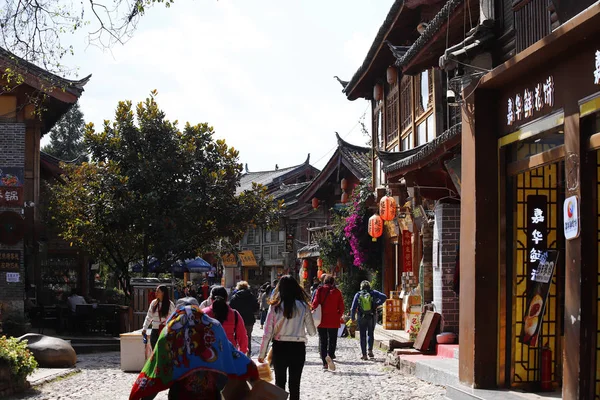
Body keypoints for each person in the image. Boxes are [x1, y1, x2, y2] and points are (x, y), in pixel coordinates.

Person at [130, 299, 259, 400]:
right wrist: (252, 374)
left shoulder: (170, 332)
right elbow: (232, 355)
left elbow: (157, 367)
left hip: (180, 395)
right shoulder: (213, 327)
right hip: (210, 394)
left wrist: (142, 394)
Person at [258, 275, 316, 400]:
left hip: (280, 347)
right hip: (298, 348)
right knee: (295, 384)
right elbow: (312, 332)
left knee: (279, 383)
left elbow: (267, 332)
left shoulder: (275, 307)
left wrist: (262, 354)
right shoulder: (304, 306)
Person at [311, 274, 344, 371]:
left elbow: (315, 304)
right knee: (333, 340)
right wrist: (337, 316)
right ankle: (330, 355)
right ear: (333, 282)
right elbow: (341, 308)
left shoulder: (320, 290)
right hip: (333, 320)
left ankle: (324, 363)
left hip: (321, 320)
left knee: (323, 340)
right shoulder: (337, 292)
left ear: (324, 281)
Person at [202, 286, 248, 354]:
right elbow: (243, 337)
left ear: (211, 299)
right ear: (226, 298)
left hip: (209, 356)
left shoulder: (203, 314)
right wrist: (241, 354)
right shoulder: (235, 314)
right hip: (229, 354)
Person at [351, 280, 388, 360]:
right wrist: (377, 304)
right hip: (372, 316)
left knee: (362, 335)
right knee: (370, 333)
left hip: (361, 317)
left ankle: (364, 355)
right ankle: (370, 350)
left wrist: (352, 318)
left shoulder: (358, 294)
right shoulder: (373, 292)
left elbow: (353, 308)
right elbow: (384, 297)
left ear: (361, 287)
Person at [229, 281, 259, 357]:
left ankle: (237, 354)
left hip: (237, 320)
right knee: (248, 337)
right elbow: (256, 308)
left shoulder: (235, 296)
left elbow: (230, 308)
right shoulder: (251, 296)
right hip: (249, 320)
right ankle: (248, 355)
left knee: (237, 337)